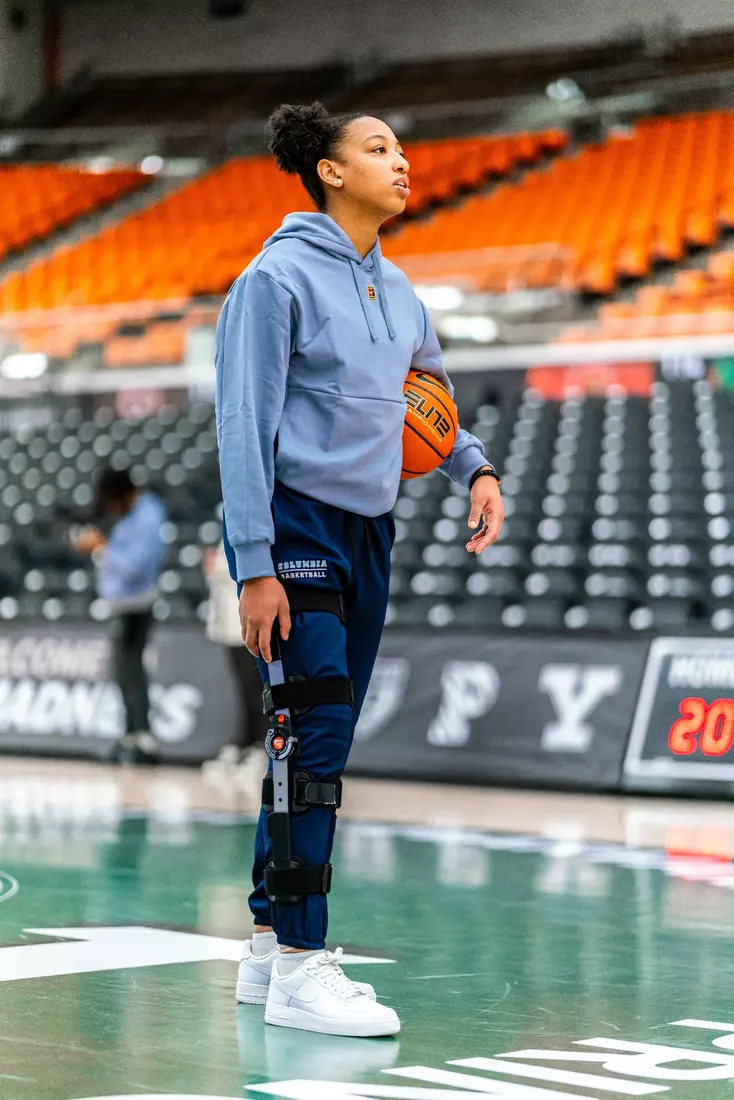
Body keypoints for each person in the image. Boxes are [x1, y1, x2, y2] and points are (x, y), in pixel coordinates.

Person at [215, 102, 503, 1037]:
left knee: (305, 736)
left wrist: (476, 468)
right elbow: (241, 428)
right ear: (330, 171)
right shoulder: (273, 280)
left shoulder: (403, 289)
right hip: (295, 528)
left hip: (369, 530)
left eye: (402, 146)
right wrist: (254, 564)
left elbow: (430, 402)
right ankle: (304, 959)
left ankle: (266, 946)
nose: (403, 161)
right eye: (378, 148)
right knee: (320, 739)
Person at [74, 467, 166, 765]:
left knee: (133, 672)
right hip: (121, 605)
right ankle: (129, 733)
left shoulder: (149, 516)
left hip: (137, 606)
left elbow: (136, 567)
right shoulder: (130, 517)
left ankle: (142, 737)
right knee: (121, 673)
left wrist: (101, 547)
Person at [203, 540, 268, 785]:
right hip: (229, 625)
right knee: (243, 688)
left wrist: (216, 567)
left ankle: (259, 746)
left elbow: (243, 568)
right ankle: (243, 743)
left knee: (256, 688)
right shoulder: (228, 532)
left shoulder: (251, 531)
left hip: (248, 622)